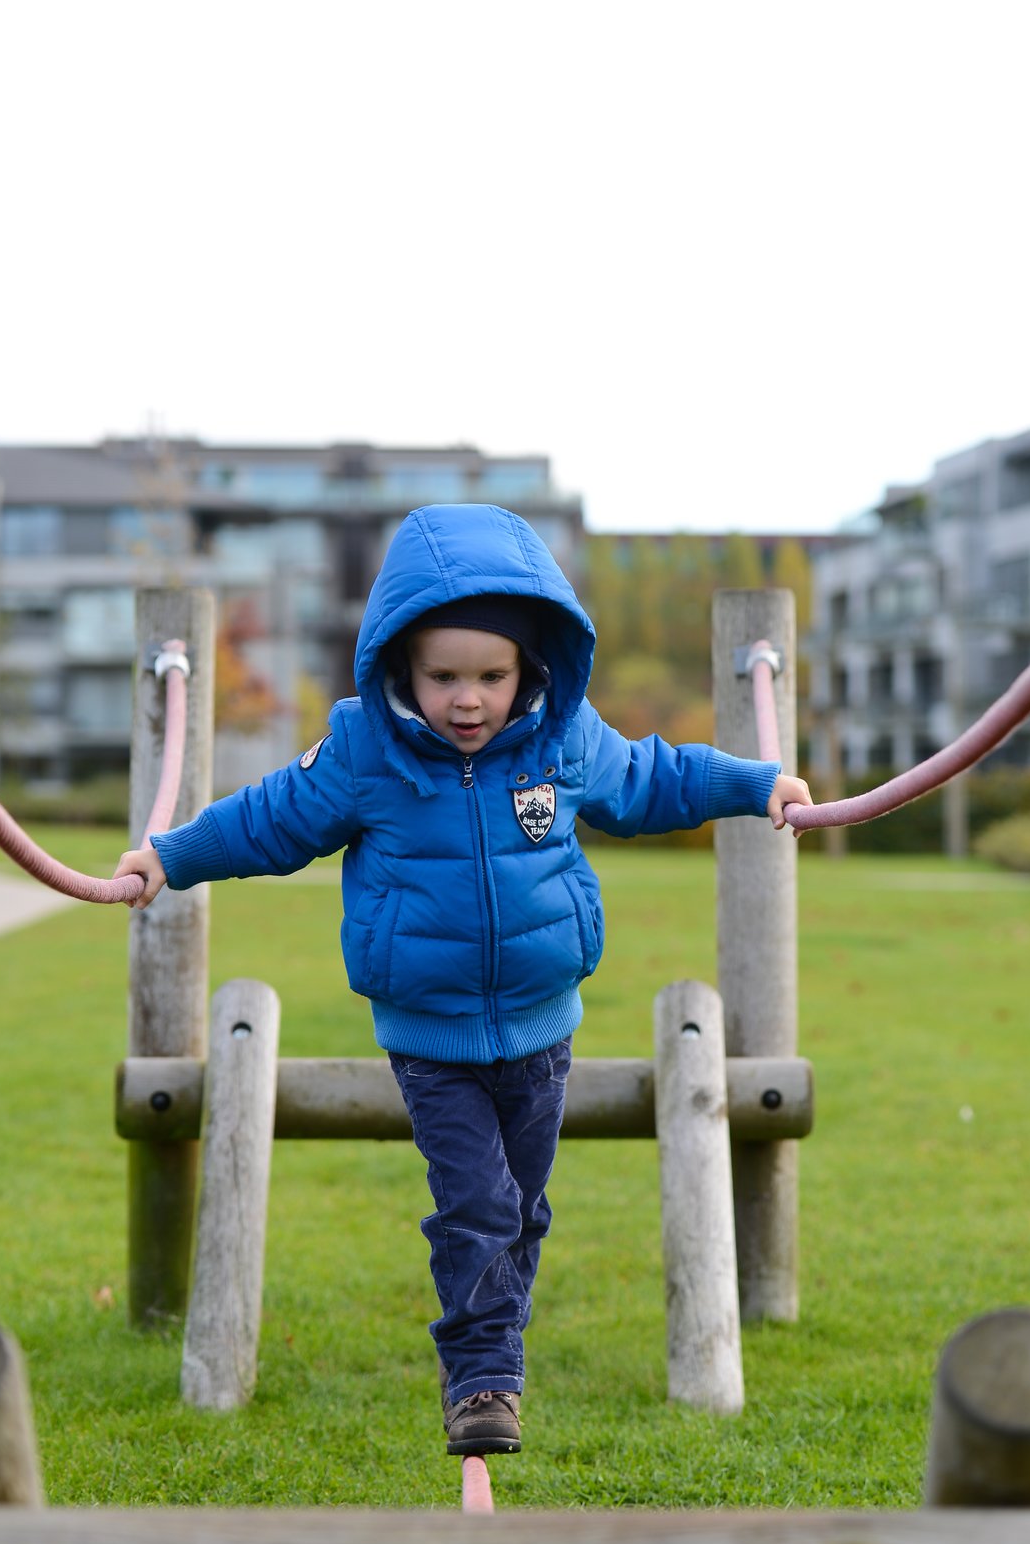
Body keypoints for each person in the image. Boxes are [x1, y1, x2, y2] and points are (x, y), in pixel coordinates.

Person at [115, 504, 811, 1457]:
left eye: (492, 674)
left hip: (542, 1022)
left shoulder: (561, 739)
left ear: (530, 667)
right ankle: (483, 1376)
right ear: (401, 665)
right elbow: (267, 820)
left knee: (523, 1207)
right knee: (476, 1202)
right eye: (444, 676)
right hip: (429, 1032)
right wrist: (171, 856)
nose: (469, 699)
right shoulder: (367, 752)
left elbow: (656, 780)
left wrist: (754, 782)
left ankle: (490, 1350)